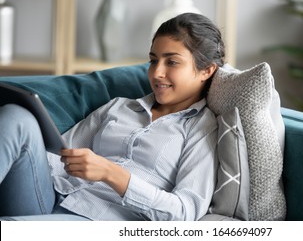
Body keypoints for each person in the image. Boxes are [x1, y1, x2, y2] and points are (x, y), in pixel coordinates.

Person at [0, 12, 225, 221]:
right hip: (51, 195)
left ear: (207, 70)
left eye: (172, 62)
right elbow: (60, 155)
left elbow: (184, 212)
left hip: (95, 220)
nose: (157, 73)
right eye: (153, 60)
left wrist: (112, 174)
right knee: (17, 117)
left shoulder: (202, 128)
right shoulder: (119, 107)